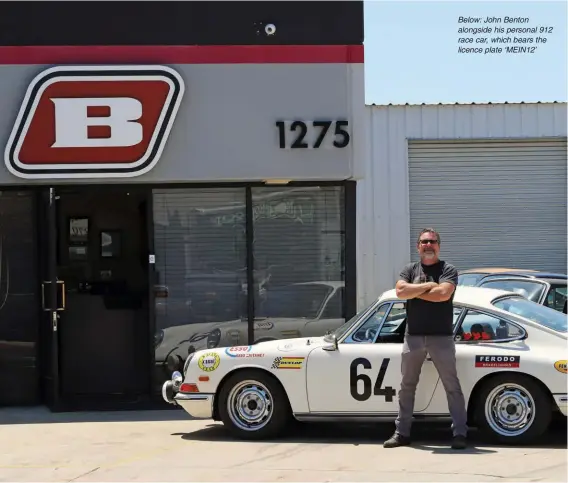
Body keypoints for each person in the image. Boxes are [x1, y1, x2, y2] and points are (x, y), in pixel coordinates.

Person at [383, 228, 468, 450]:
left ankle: (460, 433)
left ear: (439, 245)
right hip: (414, 337)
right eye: (424, 242)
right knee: (407, 386)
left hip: (442, 337)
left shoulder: (448, 269)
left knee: (452, 386)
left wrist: (414, 291)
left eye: (432, 241)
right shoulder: (409, 269)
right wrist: (429, 285)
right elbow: (400, 292)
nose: (428, 245)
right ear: (418, 246)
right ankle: (402, 433)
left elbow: (443, 295)